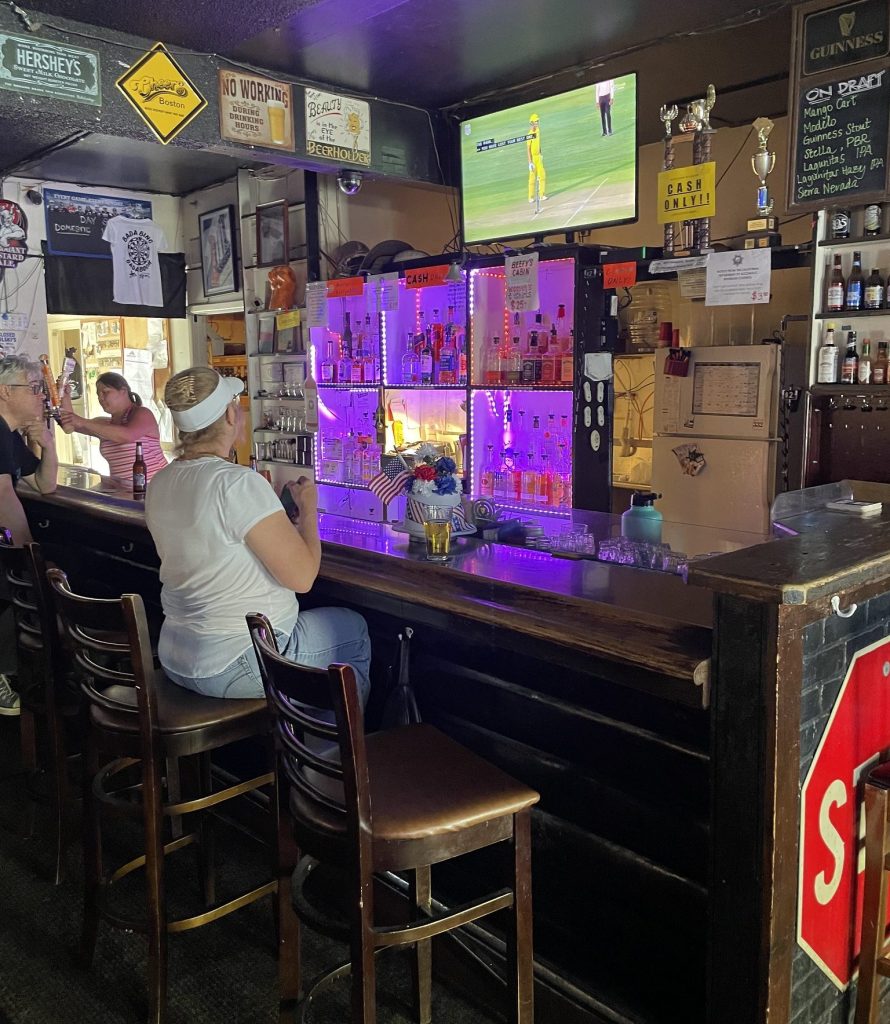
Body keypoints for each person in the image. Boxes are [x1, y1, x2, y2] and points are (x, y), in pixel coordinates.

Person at [144, 366, 371, 703]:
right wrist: (308, 510)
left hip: (177, 655)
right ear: (230, 415)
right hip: (238, 661)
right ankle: (332, 754)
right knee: (353, 631)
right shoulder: (236, 483)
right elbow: (303, 577)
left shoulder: (160, 482)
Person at [0, 355, 59, 715]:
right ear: (6, 391)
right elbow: (3, 497)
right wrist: (31, 554)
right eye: (34, 388)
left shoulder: (9, 435)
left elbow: (44, 483)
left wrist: (49, 446)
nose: (42, 396)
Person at [59, 371, 166, 487]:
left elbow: (127, 435)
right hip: (126, 494)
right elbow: (70, 426)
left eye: (105, 392)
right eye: (98, 394)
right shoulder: (103, 424)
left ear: (123, 391)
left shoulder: (143, 414)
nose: (100, 398)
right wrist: (64, 395)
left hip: (157, 489)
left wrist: (82, 421)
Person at [526, 112, 547, 204]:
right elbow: (528, 149)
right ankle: (530, 197)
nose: (537, 123)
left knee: (542, 175)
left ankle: (542, 195)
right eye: (536, 121)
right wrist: (530, 162)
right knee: (532, 178)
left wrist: (541, 154)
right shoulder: (529, 135)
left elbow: (539, 144)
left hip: (538, 157)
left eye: (538, 121)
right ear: (532, 123)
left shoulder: (538, 130)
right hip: (533, 159)